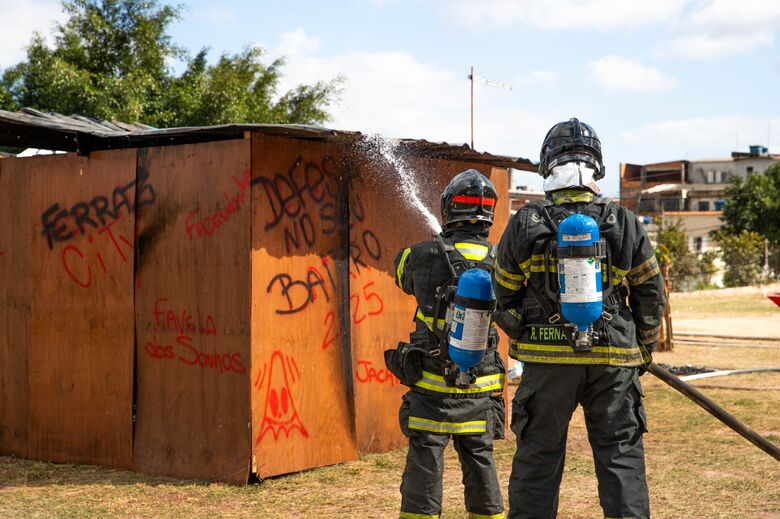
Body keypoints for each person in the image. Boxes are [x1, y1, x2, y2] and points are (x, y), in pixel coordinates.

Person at [492, 118, 665, 519]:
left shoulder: (525, 222)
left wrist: (525, 331)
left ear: (547, 166)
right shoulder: (623, 221)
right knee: (620, 458)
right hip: (613, 360)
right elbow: (649, 292)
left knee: (537, 459)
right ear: (597, 167)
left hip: (547, 363)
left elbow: (504, 291)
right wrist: (643, 347)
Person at [390, 169, 506, 519]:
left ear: (448, 209)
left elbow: (401, 277)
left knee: (424, 464)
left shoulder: (419, 255)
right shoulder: (500, 260)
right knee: (480, 460)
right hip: (480, 388)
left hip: (431, 389)